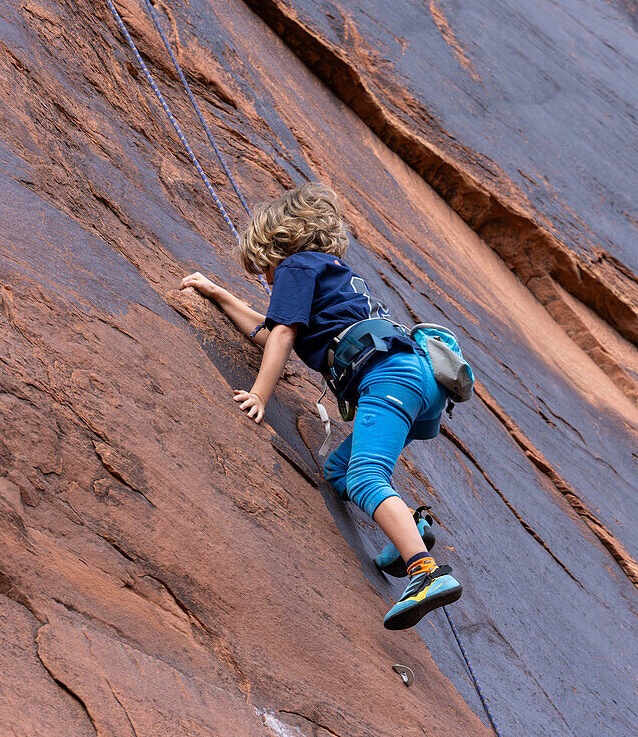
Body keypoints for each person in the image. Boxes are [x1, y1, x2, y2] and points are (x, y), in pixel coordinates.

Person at [180, 182, 462, 629]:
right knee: (340, 472)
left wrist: (259, 394)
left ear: (277, 245)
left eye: (263, 271)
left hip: (388, 378)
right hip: (420, 383)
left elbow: (283, 336)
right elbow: (273, 330)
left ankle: (425, 572)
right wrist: (219, 295)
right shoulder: (332, 271)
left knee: (368, 475)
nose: (265, 280)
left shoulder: (294, 266)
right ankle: (410, 525)